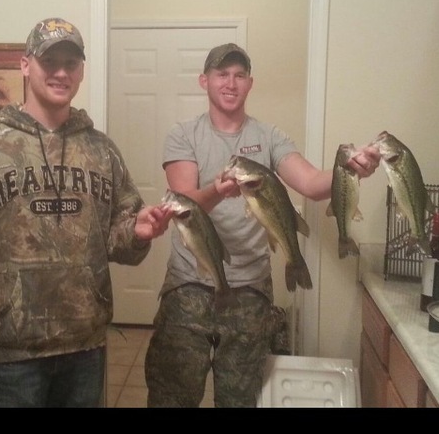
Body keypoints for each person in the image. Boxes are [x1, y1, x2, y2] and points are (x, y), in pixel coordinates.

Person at [0, 18, 172, 408]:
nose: (61, 72)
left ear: (81, 71)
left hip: (85, 347)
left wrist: (138, 232)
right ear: (26, 65)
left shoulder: (101, 150)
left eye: (70, 63)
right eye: (49, 61)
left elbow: (118, 241)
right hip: (10, 355)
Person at [144, 42, 381, 408]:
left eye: (240, 75)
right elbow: (184, 203)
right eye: (222, 74)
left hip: (250, 291)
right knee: (172, 397)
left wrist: (348, 170)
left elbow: (310, 183)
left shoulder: (270, 137)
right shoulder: (184, 135)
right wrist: (218, 191)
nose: (231, 83)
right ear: (204, 80)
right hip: (189, 286)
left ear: (250, 84)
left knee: (239, 399)